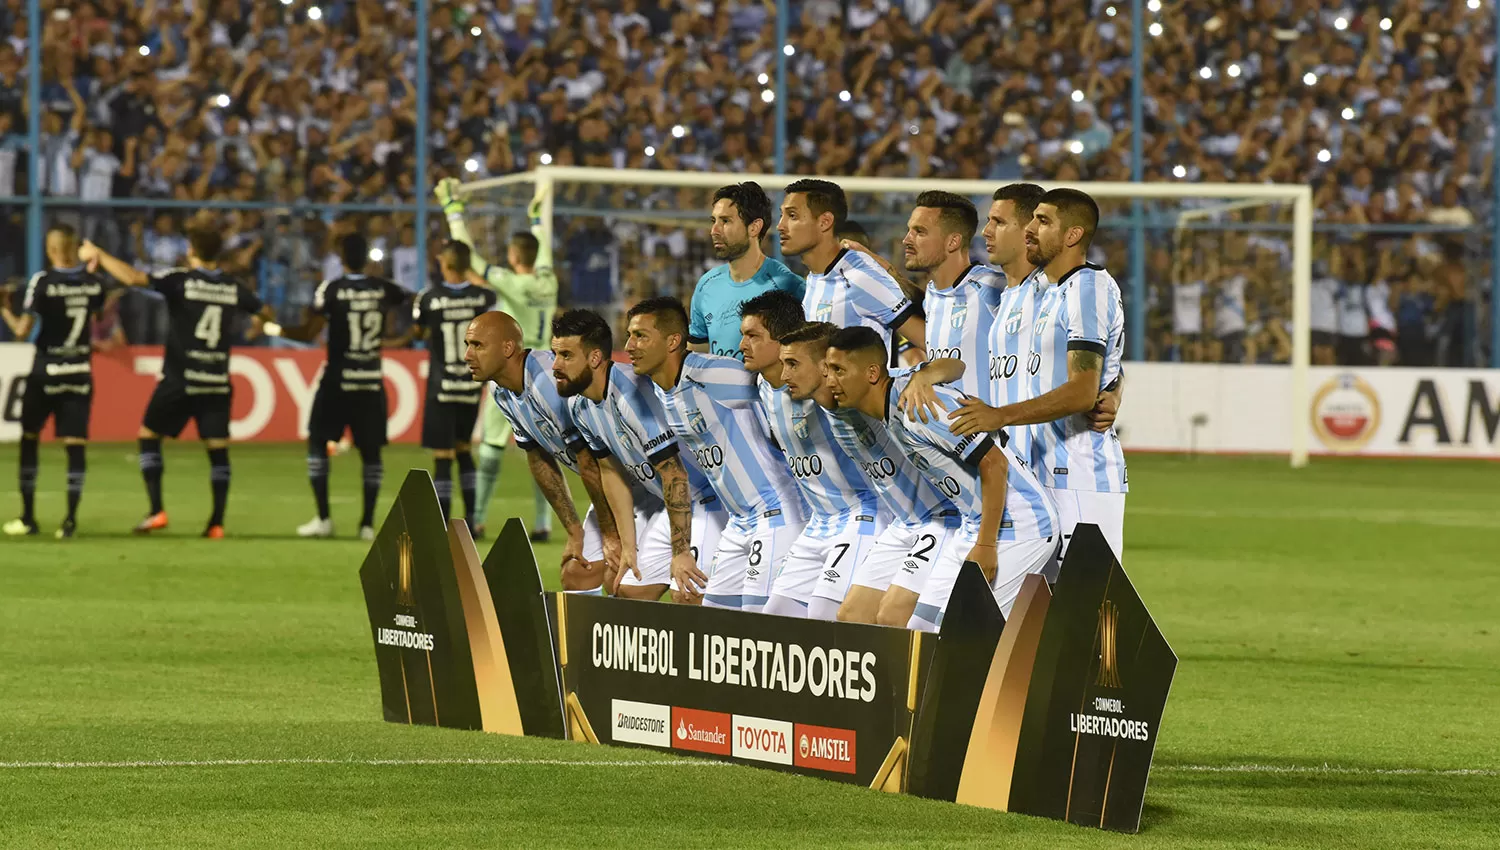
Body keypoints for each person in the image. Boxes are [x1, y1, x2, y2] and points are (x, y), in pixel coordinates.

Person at [824, 327, 1057, 626]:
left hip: (1020, 526)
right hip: (975, 524)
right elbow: (950, 366)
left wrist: (986, 546)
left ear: (871, 373)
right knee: (922, 627)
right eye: (828, 370)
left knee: (969, 635)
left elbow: (994, 463)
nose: (830, 380)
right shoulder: (898, 397)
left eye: (839, 370)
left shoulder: (919, 409)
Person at [947, 189, 1129, 565]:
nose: (1031, 228)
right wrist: (1114, 387)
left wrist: (1000, 415)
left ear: (1072, 235)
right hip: (1028, 472)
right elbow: (1103, 362)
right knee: (1029, 609)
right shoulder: (1038, 290)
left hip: (1076, 474)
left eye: (1042, 221)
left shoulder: (1088, 287)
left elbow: (1082, 390)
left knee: (1085, 608)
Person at [79, 230, 277, 538]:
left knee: (148, 436)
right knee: (217, 450)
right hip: (215, 380)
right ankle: (216, 523)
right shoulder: (232, 287)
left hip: (181, 378)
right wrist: (255, 328)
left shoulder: (181, 280)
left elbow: (133, 279)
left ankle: (157, 510)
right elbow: (264, 311)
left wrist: (100, 254)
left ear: (191, 249)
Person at [624, 296, 804, 611]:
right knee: (713, 619)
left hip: (775, 512)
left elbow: (780, 384)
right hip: (738, 520)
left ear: (672, 341)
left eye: (640, 336)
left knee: (761, 624)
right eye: (629, 335)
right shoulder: (660, 390)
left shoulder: (714, 375)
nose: (629, 345)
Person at [551, 308, 717, 600]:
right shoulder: (580, 406)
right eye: (555, 354)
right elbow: (610, 472)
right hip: (670, 502)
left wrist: (681, 552)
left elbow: (674, 473)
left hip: (706, 499)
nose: (555, 366)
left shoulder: (631, 395)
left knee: (689, 593)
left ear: (594, 358)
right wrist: (628, 546)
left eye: (566, 356)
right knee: (628, 592)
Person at [738, 292, 880, 621]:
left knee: (825, 614)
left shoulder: (835, 391)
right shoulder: (760, 388)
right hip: (817, 523)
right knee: (774, 616)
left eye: (753, 336)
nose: (742, 344)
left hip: (860, 515)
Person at [437, 178, 559, 541]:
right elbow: (546, 256)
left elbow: (471, 259)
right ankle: (544, 522)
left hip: (511, 364)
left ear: (513, 256)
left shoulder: (513, 283)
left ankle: (476, 518)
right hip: (545, 368)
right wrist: (538, 221)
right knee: (543, 448)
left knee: (491, 445)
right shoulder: (548, 280)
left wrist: (453, 213)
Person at [462, 310, 617, 591]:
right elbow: (538, 458)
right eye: (467, 345)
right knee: (576, 574)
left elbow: (589, 463)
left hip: (636, 483)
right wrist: (574, 531)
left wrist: (610, 535)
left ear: (508, 348)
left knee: (624, 581)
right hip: (615, 486)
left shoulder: (548, 381)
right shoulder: (502, 391)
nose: (467, 355)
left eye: (477, 345)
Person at [281, 233, 409, 540]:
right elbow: (415, 301)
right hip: (369, 381)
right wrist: (403, 338)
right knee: (371, 453)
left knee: (317, 442)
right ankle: (366, 525)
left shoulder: (332, 289)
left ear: (340, 257)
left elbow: (309, 332)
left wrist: (274, 327)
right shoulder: (383, 288)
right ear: (366, 258)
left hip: (338, 381)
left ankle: (324, 519)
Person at [0, 224, 108, 538]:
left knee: (30, 439)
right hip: (79, 374)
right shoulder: (93, 283)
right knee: (75, 446)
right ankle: (70, 521)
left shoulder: (42, 282)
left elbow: (21, 332)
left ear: (50, 250)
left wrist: (5, 309)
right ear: (75, 248)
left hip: (45, 373)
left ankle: (28, 518)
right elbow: (99, 319)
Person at [777, 178, 926, 363]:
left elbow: (931, 343)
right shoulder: (815, 277)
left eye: (792, 216)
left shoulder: (858, 277)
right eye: (781, 215)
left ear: (825, 222)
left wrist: (915, 380)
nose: (780, 226)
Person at [409, 240, 498, 523]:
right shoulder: (484, 298)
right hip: (471, 386)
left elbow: (418, 332)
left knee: (443, 455)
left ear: (444, 264)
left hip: (442, 386)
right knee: (463, 451)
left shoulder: (428, 298)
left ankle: (443, 522)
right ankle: (471, 519)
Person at [687, 182, 804, 359]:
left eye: (725, 221)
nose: (714, 230)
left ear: (754, 227)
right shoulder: (707, 285)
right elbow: (698, 350)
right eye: (714, 221)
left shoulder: (788, 285)